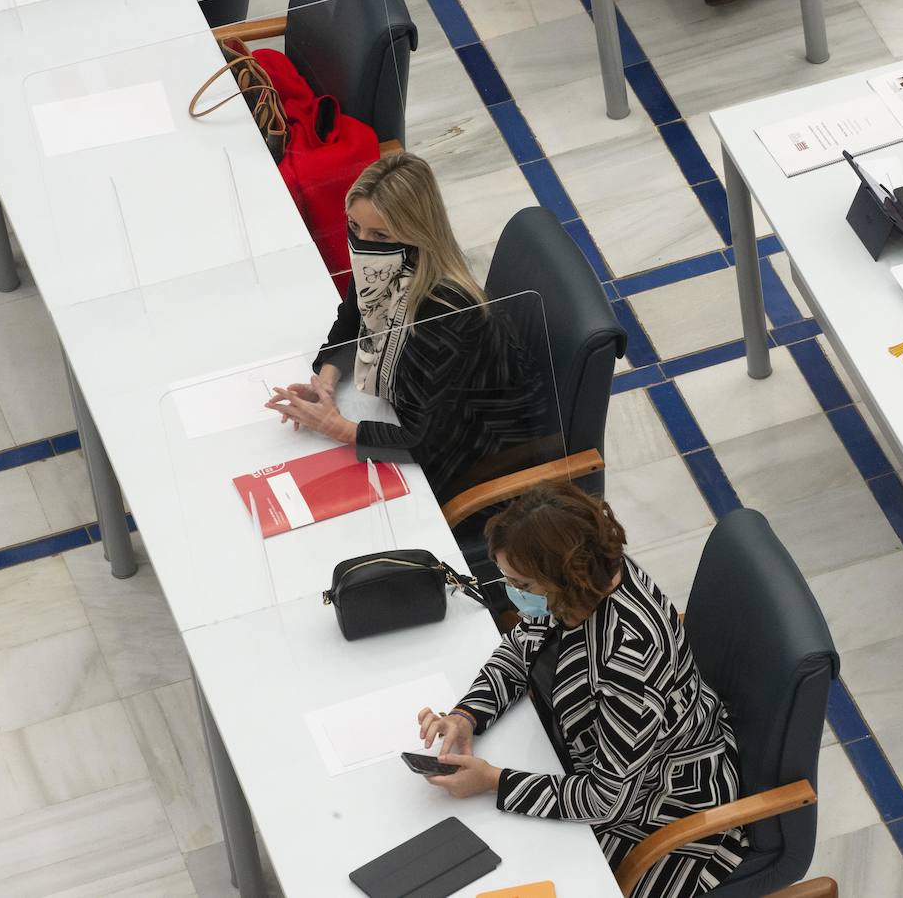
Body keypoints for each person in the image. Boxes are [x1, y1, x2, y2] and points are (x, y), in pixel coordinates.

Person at [415, 481, 747, 898]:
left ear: (563, 578)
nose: (514, 596)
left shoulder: (630, 662)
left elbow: (605, 798)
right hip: (577, 759)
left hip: (658, 805)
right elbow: (523, 645)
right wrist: (467, 714)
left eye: (523, 584)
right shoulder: (586, 580)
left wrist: (495, 783)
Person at [265, 153, 544, 503]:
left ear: (415, 236)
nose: (361, 244)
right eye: (354, 227)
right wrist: (326, 382)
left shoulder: (447, 317)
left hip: (477, 471)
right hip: (409, 421)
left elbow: (427, 442)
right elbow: (352, 324)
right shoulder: (382, 266)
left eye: (379, 235)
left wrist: (336, 427)